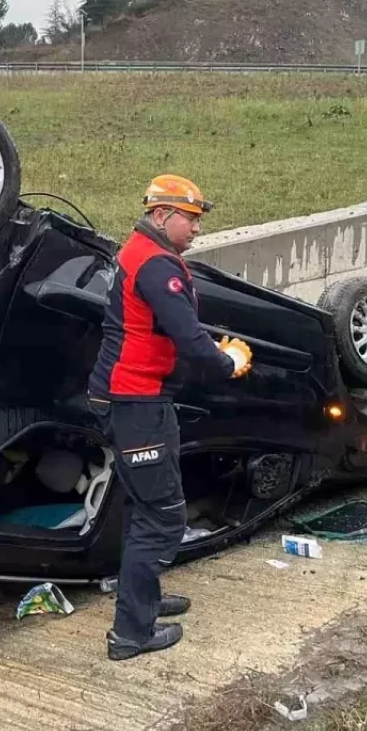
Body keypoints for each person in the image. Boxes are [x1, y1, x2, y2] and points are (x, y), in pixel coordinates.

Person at [87, 174, 253, 661]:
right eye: (192, 217)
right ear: (162, 215)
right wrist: (229, 363)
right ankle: (130, 635)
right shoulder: (158, 267)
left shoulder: (140, 251)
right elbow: (188, 337)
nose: (197, 228)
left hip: (137, 397)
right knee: (163, 518)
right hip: (134, 401)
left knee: (146, 506)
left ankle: (145, 600)